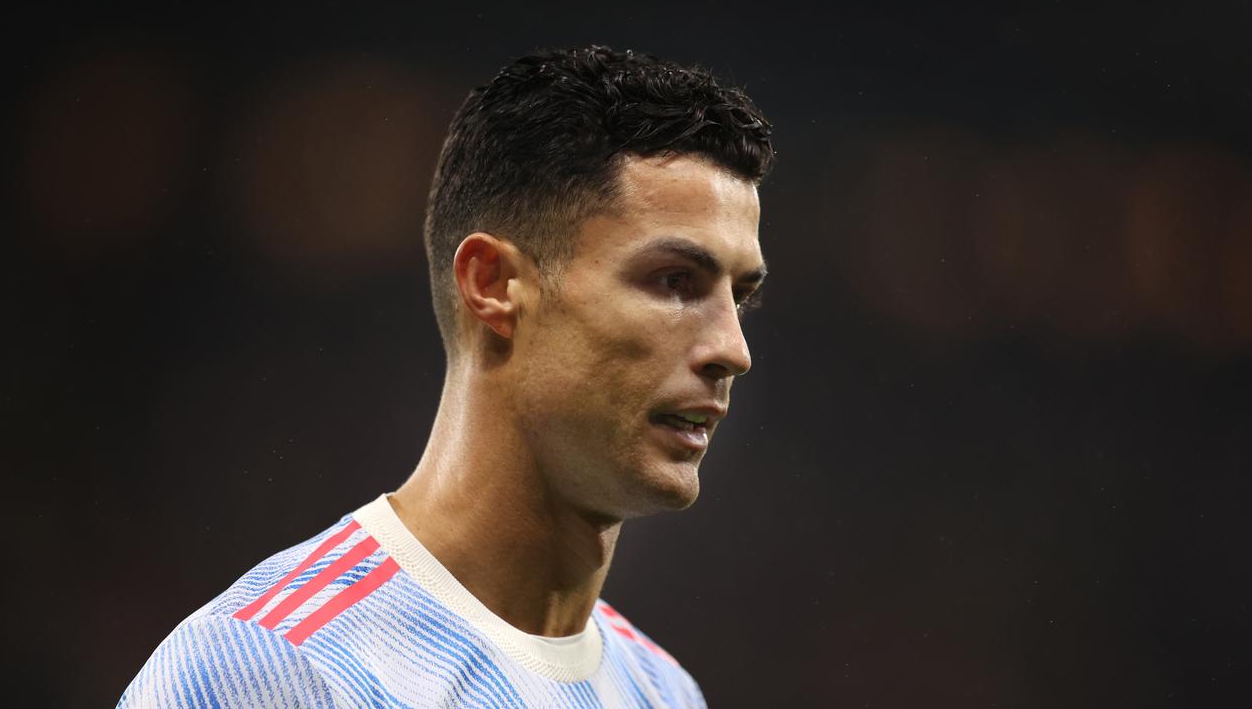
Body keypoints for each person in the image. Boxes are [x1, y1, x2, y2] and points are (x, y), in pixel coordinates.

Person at [119, 44, 774, 708]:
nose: (733, 349)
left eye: (740, 297)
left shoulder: (664, 691)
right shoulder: (270, 672)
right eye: (674, 282)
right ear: (493, 284)